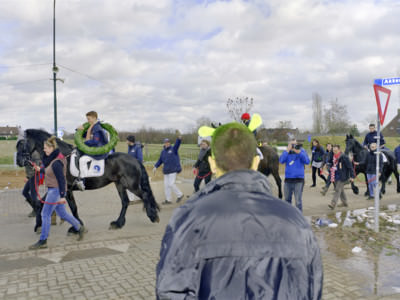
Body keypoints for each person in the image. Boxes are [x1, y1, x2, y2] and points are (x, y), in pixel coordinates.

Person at [156, 123, 323, 299]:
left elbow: (169, 291)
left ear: (212, 164)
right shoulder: (296, 221)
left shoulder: (185, 218)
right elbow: (312, 289)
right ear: (256, 161)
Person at [29, 136, 85, 250]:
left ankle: (43, 240)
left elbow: (62, 180)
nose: (44, 150)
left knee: (45, 214)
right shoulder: (52, 160)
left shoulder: (56, 162)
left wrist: (62, 195)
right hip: (53, 190)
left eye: (45, 148)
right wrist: (40, 169)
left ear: (52, 148)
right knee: (63, 214)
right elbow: (49, 171)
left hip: (55, 191)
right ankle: (79, 227)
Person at [75, 111, 109, 190]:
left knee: (82, 160)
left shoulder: (97, 128)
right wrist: (78, 130)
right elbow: (86, 134)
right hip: (95, 149)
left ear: (94, 118)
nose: (88, 121)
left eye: (89, 119)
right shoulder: (92, 127)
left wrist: (84, 143)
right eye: (87, 119)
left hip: (99, 151)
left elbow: (95, 141)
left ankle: (83, 181)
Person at [279, 139, 310, 212]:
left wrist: (299, 153)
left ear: (297, 144)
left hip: (298, 180)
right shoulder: (286, 152)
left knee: (298, 201)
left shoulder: (302, 151)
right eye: (291, 144)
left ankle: (299, 218)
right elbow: (281, 161)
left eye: (294, 144)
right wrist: (287, 151)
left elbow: (307, 161)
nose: (293, 146)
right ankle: (288, 217)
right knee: (287, 200)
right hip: (288, 180)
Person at [153, 137, 184, 204]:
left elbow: (177, 145)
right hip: (166, 170)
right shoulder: (163, 151)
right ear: (164, 143)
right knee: (166, 186)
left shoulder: (173, 149)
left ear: (169, 143)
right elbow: (160, 160)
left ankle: (180, 194)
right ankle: (168, 200)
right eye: (165, 142)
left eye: (168, 142)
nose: (166, 143)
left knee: (171, 184)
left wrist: (179, 139)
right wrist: (155, 166)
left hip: (173, 170)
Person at [328, 144, 355, 210]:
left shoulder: (344, 157)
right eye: (333, 150)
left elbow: (350, 167)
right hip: (335, 175)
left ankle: (333, 203)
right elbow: (331, 163)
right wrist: (329, 166)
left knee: (337, 189)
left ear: (339, 150)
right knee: (341, 190)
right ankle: (345, 202)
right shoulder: (333, 156)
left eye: (336, 150)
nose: (334, 152)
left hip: (343, 176)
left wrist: (352, 176)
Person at [22, 150, 41, 217]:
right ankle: (36, 208)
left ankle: (36, 210)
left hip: (35, 176)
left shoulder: (35, 154)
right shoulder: (27, 153)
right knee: (25, 192)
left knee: (33, 195)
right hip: (31, 177)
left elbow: (36, 167)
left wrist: (28, 177)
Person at [126, 135, 143, 203]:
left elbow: (140, 159)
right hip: (130, 169)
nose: (126, 141)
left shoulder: (137, 148)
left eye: (127, 140)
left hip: (136, 169)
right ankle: (131, 199)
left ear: (130, 141)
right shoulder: (129, 148)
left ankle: (142, 197)